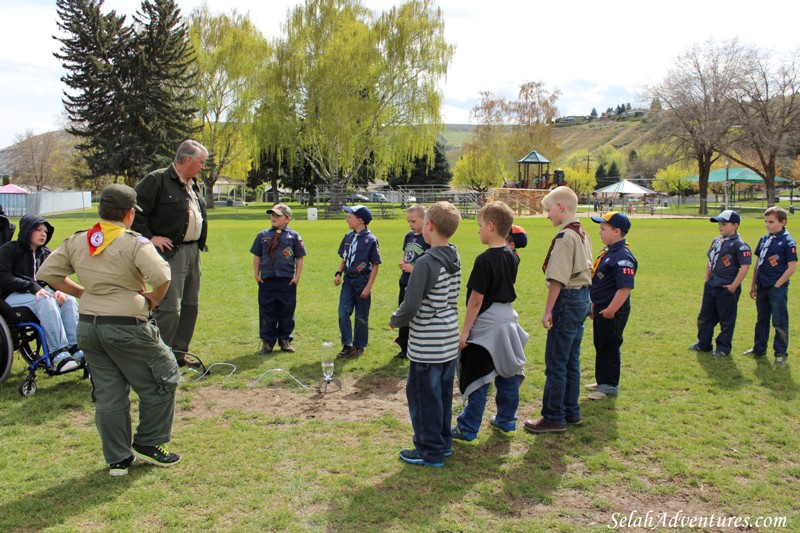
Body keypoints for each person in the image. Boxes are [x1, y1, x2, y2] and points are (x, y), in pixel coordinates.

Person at [38, 184, 181, 476]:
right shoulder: (134, 242)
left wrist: (83, 294)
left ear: (101, 210)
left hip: (89, 325)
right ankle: (149, 443)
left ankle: (117, 458)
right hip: (126, 325)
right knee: (164, 378)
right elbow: (162, 275)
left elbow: (48, 273)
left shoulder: (79, 239)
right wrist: (153, 299)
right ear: (129, 214)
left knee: (109, 392)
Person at [389, 201, 461, 467]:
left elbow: (411, 304)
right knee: (441, 395)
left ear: (429, 226)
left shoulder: (426, 262)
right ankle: (443, 443)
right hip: (447, 340)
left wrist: (395, 321)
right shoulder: (454, 254)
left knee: (422, 398)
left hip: (427, 345)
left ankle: (429, 451)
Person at [452, 201, 528, 444]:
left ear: (492, 226)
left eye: (480, 225)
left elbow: (476, 300)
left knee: (479, 377)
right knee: (507, 373)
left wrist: (465, 332)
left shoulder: (484, 260)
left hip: (486, 326)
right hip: (508, 321)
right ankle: (506, 420)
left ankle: (468, 428)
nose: (478, 230)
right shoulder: (512, 255)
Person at [133, 139, 208, 367]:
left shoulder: (192, 184)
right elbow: (134, 212)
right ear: (187, 160)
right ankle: (158, 357)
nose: (203, 167)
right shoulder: (156, 180)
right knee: (169, 308)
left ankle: (178, 354)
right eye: (201, 162)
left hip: (192, 251)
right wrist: (150, 237)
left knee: (190, 305)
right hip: (170, 254)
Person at [524, 186, 592, 434]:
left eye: (548, 209)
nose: (547, 214)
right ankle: (570, 410)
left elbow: (557, 279)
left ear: (560, 207)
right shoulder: (582, 232)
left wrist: (548, 310)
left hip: (567, 299)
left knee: (555, 362)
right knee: (571, 359)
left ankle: (553, 416)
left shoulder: (566, 237)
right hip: (582, 297)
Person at [0, 214, 82, 373]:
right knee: (46, 300)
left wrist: (59, 290)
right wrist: (32, 287)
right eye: (38, 230)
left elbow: (53, 277)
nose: (43, 234)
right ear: (26, 231)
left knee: (69, 300)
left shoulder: (44, 253)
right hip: (10, 298)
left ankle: (75, 348)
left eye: (45, 231)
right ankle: (58, 354)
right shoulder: (9, 250)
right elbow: (2, 277)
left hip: (37, 294)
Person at [586, 212, 638, 400]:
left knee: (610, 345)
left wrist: (611, 310)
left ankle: (610, 386)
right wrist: (594, 303)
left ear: (617, 231)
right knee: (600, 343)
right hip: (602, 307)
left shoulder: (622, 256)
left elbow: (625, 288)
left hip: (613, 310)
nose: (600, 232)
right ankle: (602, 381)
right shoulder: (609, 252)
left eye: (603, 229)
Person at [688, 210, 751, 357]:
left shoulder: (739, 245)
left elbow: (744, 267)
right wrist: (707, 279)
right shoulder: (717, 240)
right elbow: (710, 261)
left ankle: (722, 348)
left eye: (724, 224)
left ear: (735, 225)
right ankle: (703, 343)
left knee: (726, 320)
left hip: (727, 287)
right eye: (719, 224)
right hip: (711, 285)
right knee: (705, 316)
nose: (720, 227)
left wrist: (734, 286)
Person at [743, 206, 797, 366]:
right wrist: (753, 284)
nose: (768, 225)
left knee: (779, 321)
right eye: (766, 222)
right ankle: (759, 348)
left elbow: (792, 267)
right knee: (762, 319)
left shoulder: (787, 242)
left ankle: (780, 353)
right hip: (762, 286)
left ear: (783, 222)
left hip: (776, 289)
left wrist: (777, 285)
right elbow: (758, 264)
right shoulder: (764, 239)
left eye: (771, 222)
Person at [250, 204, 306, 354]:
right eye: (272, 215)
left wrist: (297, 277)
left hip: (286, 281)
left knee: (286, 311)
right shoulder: (262, 235)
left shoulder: (293, 236)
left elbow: (299, 257)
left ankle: (285, 339)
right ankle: (267, 342)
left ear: (288, 219)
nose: (273, 217)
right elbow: (257, 256)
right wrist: (256, 274)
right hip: (267, 281)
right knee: (267, 311)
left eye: (277, 215)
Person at [334, 205, 381, 359]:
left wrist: (368, 287)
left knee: (361, 317)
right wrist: (338, 273)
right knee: (343, 312)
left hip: (362, 281)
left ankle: (359, 345)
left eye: (350, 216)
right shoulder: (348, 237)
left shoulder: (371, 240)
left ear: (360, 220)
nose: (347, 219)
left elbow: (375, 265)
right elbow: (345, 257)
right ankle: (347, 344)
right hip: (348, 281)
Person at [394, 204, 429, 360]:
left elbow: (430, 264)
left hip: (418, 282)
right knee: (403, 312)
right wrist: (403, 262)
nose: (411, 225)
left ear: (424, 219)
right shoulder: (409, 236)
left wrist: (413, 268)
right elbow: (406, 252)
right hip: (405, 281)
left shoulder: (429, 238)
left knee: (417, 314)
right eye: (409, 221)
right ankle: (404, 347)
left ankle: (417, 346)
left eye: (414, 221)